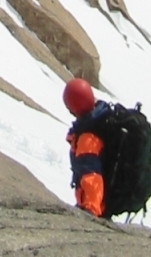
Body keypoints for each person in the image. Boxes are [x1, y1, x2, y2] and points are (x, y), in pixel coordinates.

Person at [64, 78, 110, 218]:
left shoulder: (87, 139)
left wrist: (91, 210)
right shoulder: (97, 120)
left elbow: (92, 177)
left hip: (95, 208)